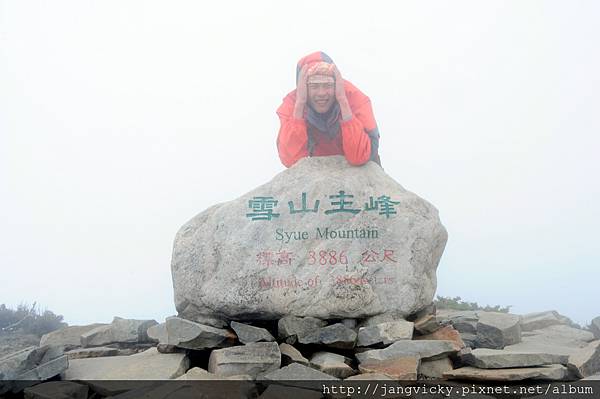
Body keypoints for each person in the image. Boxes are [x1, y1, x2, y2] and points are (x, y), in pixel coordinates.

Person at [276, 51, 381, 168]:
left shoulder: (354, 98)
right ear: (302, 86)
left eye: (328, 85)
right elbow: (291, 160)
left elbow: (360, 156)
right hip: (318, 175)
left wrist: (343, 102)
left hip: (364, 174)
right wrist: (300, 104)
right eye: (314, 86)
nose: (321, 93)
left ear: (336, 83)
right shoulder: (293, 104)